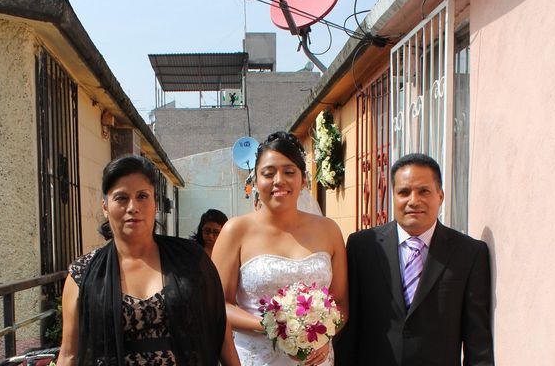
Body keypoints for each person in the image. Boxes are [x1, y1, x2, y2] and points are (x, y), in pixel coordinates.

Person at [56, 154, 240, 366]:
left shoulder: (191, 260)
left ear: (156, 204)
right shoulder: (83, 273)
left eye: (142, 196)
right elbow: (69, 353)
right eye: (121, 198)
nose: (133, 206)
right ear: (105, 207)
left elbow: (220, 330)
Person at [336, 153, 494, 366]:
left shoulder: (470, 253)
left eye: (423, 191)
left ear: (440, 196)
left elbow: (478, 340)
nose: (413, 201)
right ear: (393, 196)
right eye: (404, 192)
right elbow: (349, 330)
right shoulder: (362, 246)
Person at [213, 131, 348, 366]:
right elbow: (216, 304)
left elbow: (341, 303)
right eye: (268, 173)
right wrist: (274, 327)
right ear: (255, 180)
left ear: (303, 180)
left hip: (316, 358)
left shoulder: (329, 230)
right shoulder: (235, 230)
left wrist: (325, 335)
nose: (279, 181)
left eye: (289, 172)